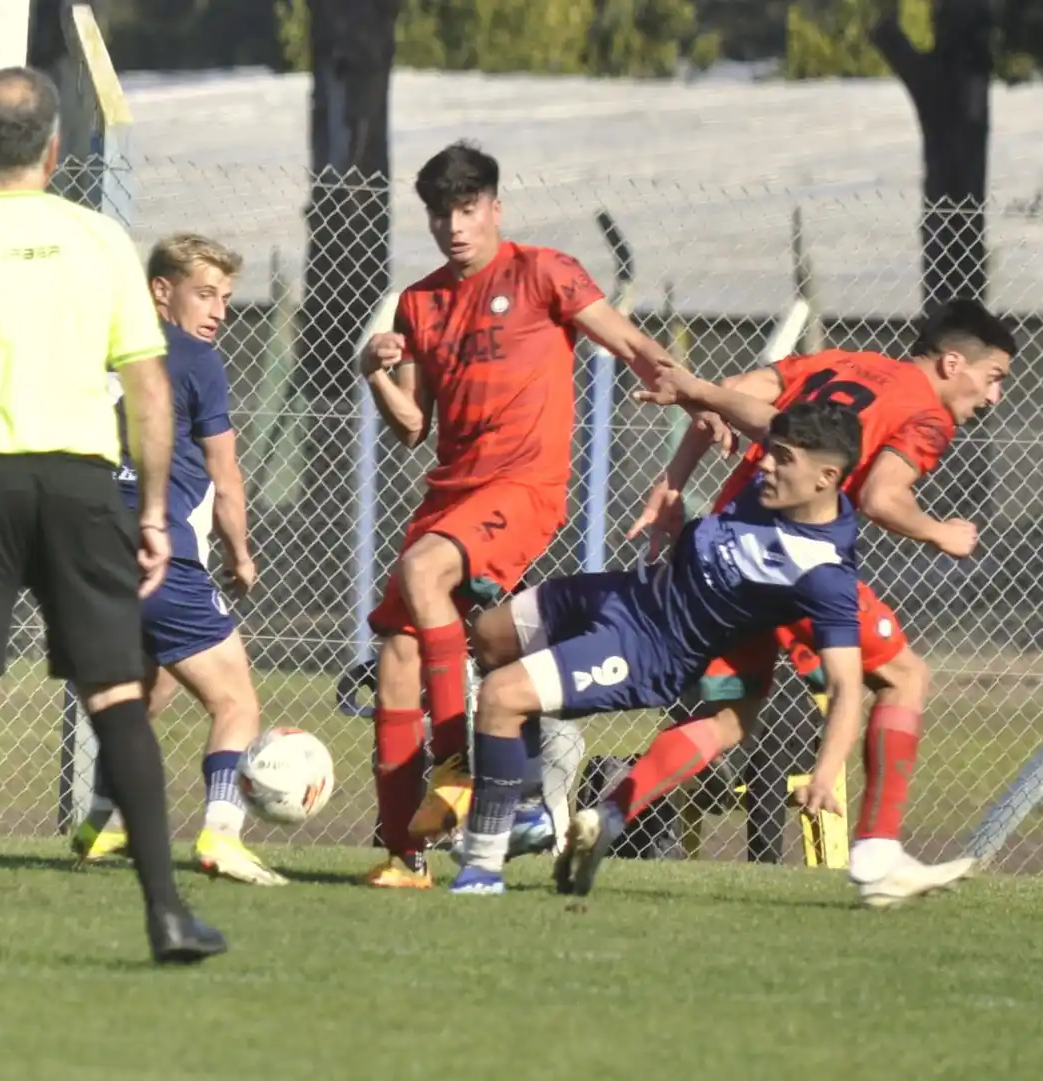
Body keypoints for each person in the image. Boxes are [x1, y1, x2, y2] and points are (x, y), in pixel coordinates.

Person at [0, 66, 225, 965]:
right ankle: (167, 915)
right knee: (117, 697)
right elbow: (147, 385)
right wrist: (157, 514)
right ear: (55, 151)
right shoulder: (99, 239)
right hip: (84, 483)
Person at [357, 140, 724, 890]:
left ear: (495, 207)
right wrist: (375, 373)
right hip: (451, 492)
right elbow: (411, 426)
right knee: (396, 658)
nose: (455, 227)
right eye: (440, 215)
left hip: (522, 487)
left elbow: (628, 340)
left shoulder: (543, 272)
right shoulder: (419, 302)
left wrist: (695, 394)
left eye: (467, 210)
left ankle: (456, 759)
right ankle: (405, 857)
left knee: (423, 571)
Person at [591, 299, 1013, 905]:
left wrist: (674, 480)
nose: (994, 396)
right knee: (904, 676)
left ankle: (605, 816)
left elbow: (726, 391)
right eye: (993, 378)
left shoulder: (844, 360)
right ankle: (877, 852)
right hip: (799, 561)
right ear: (953, 363)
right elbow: (881, 497)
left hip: (728, 550)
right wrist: (938, 530)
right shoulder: (926, 415)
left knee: (731, 717)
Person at [448, 401, 871, 896]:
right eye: (770, 451)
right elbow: (734, 403)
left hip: (648, 647)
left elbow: (847, 687)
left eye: (781, 458)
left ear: (825, 478)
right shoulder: (783, 486)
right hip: (626, 591)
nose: (765, 464)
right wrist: (697, 409)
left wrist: (824, 772)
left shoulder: (822, 572)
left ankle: (481, 867)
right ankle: (528, 806)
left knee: (500, 696)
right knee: (490, 636)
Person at [70, 232, 287, 886]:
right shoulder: (195, 359)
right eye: (204, 293)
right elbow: (225, 475)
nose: (218, 310)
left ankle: (104, 821)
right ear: (160, 291)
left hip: (81, 550)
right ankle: (221, 833)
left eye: (225, 297)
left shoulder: (93, 348)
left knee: (147, 685)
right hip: (160, 552)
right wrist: (241, 555)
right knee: (236, 701)